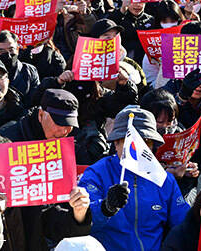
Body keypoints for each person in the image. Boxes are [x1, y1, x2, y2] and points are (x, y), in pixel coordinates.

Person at [78, 106, 190, 250]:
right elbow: (81, 222)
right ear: (116, 143)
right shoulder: (96, 174)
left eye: (146, 142)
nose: (138, 148)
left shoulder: (164, 179)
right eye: (129, 141)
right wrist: (106, 207)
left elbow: (183, 225)